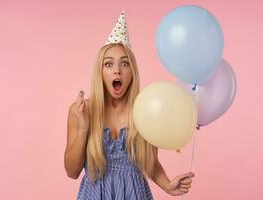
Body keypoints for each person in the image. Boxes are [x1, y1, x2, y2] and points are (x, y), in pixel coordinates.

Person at [64, 11, 195, 200]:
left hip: (134, 193)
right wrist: (84, 127)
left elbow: (151, 162)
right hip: (95, 194)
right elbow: (72, 171)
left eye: (124, 64)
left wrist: (167, 185)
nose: (117, 70)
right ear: (100, 72)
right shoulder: (80, 111)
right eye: (108, 65)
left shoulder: (145, 109)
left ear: (132, 72)